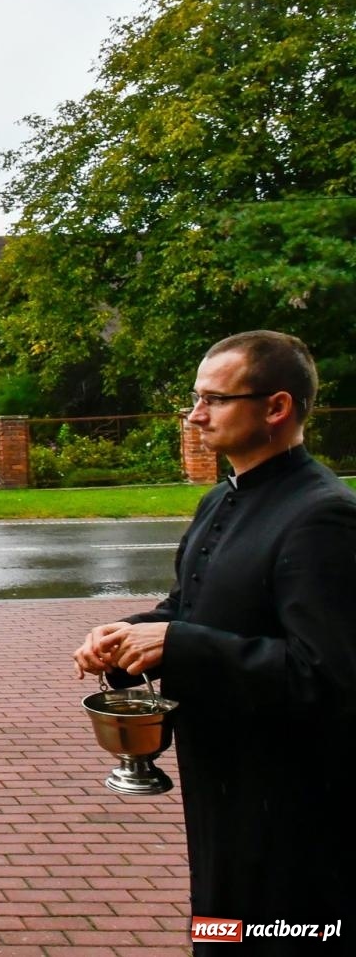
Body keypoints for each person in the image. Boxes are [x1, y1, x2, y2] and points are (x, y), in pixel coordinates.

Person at [73, 330, 356, 952]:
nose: (195, 414)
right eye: (195, 399)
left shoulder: (323, 516)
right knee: (219, 935)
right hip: (220, 791)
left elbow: (327, 676)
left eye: (214, 400)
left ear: (276, 408)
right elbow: (193, 607)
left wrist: (180, 643)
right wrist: (128, 639)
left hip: (291, 809)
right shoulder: (218, 500)